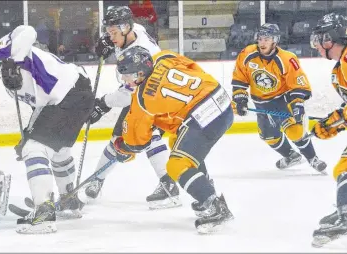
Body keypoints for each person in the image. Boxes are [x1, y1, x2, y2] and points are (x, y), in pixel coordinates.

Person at [0, 25, 94, 234]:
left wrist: (11, 63)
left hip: (69, 94)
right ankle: (69, 201)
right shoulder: (9, 82)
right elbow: (41, 108)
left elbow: (27, 31)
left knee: (34, 149)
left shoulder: (2, 51)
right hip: (73, 95)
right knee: (57, 149)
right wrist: (28, 132)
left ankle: (44, 212)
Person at [112, 46, 234, 233]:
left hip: (203, 116)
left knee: (176, 165)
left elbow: (138, 143)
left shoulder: (142, 100)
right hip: (219, 97)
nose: (123, 79)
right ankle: (204, 187)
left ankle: (214, 205)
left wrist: (123, 148)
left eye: (126, 74)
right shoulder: (164, 57)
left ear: (139, 73)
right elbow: (193, 69)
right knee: (179, 143)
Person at [85, 6, 179, 210]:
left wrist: (103, 104)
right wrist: (109, 40)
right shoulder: (133, 30)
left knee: (150, 136)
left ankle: (169, 185)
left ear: (126, 27)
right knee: (117, 138)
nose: (111, 37)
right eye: (109, 32)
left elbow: (129, 93)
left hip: (155, 97)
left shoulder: (142, 50)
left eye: (114, 33)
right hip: (143, 94)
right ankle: (97, 180)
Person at [231, 23, 327, 172]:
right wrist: (240, 99)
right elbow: (240, 79)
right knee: (269, 137)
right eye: (260, 38)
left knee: (295, 131)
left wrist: (297, 105)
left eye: (266, 39)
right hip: (260, 104)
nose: (262, 43)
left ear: (275, 41)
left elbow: (298, 85)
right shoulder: (247, 54)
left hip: (282, 101)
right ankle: (291, 156)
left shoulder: (287, 59)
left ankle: (313, 158)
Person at [308, 13, 347, 248]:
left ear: (329, 38)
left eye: (320, 38)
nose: (316, 43)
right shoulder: (343, 64)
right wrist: (335, 123)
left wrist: (337, 119)